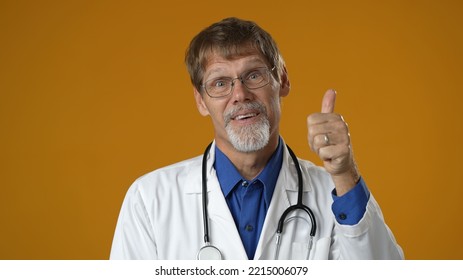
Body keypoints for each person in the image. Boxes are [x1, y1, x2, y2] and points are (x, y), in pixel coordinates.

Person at [110, 17, 403, 260]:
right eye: (220, 83)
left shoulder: (337, 192)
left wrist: (344, 172)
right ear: (201, 101)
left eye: (253, 75)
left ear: (282, 80)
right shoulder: (149, 200)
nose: (240, 95)